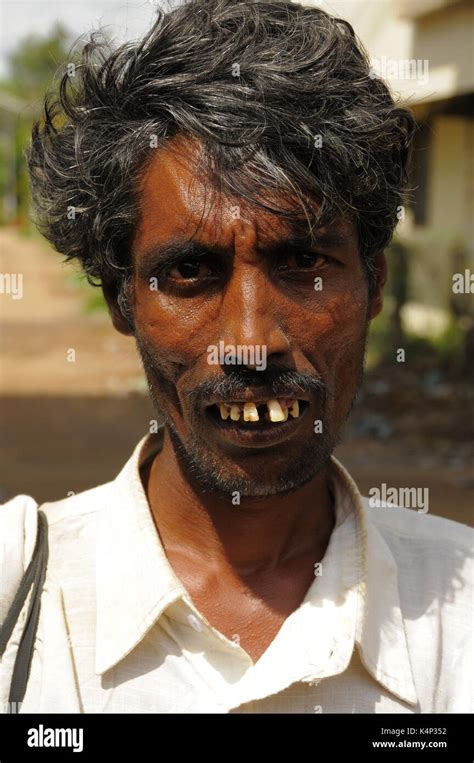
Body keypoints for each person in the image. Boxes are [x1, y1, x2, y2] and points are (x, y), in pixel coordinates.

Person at [1, 0, 472, 714]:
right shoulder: (18, 596)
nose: (252, 339)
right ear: (123, 300)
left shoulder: (458, 620)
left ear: (373, 285)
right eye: (191, 271)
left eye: (303, 261)